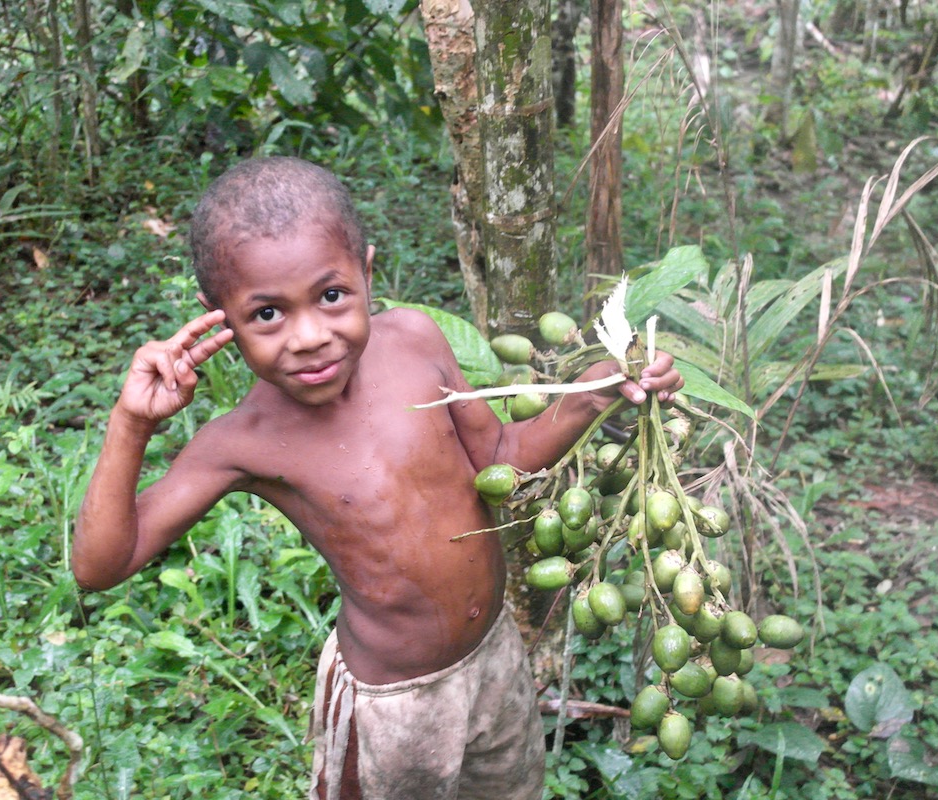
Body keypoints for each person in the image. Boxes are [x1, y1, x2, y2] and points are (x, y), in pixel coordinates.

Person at [72, 156, 683, 800]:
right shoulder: (240, 441)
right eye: (267, 315)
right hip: (392, 706)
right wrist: (131, 425)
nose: (309, 337)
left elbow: (499, 455)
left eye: (331, 296)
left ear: (366, 272)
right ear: (218, 314)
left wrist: (592, 395)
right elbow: (99, 566)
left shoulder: (416, 340)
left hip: (495, 659)